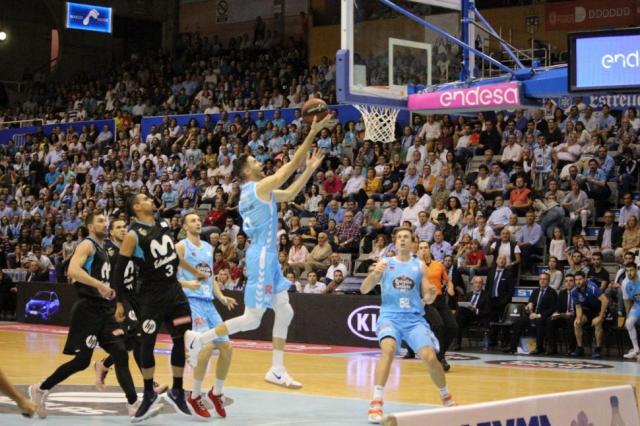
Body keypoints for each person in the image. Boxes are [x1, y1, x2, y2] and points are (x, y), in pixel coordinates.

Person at [185, 116, 331, 390]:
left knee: (285, 312)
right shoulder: (255, 188)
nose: (260, 163)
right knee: (252, 319)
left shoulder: (259, 192)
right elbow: (286, 171)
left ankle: (277, 369)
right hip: (262, 256)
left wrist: (310, 169)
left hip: (269, 258)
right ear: (245, 171)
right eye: (254, 161)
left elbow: (289, 193)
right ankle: (199, 340)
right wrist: (312, 133)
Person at [29, 213, 145, 420]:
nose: (105, 223)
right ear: (90, 227)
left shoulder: (106, 249)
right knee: (81, 361)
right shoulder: (87, 245)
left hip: (106, 310)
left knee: (120, 352)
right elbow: (73, 271)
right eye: (100, 221)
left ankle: (133, 404)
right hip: (87, 311)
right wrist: (99, 285)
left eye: (106, 221)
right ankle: (41, 388)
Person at [114, 194, 208, 420]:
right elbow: (119, 270)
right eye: (145, 198)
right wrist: (120, 302)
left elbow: (173, 256)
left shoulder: (163, 224)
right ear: (137, 207)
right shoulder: (132, 235)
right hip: (150, 298)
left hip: (174, 294)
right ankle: (148, 393)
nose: (150, 200)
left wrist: (194, 271)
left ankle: (177, 389)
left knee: (181, 338)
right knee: (147, 344)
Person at [360, 227, 455, 423]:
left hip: (413, 319)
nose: (402, 240)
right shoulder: (385, 263)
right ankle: (376, 402)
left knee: (430, 358)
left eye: (406, 237)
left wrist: (430, 294)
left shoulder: (419, 266)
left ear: (412, 242)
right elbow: (364, 289)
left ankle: (446, 396)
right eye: (399, 237)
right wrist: (374, 275)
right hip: (390, 317)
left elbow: (428, 296)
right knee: (388, 350)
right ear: (395, 242)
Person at [94, 219, 168, 395]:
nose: (123, 230)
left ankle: (103, 364)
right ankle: (151, 385)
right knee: (138, 339)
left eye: (125, 227)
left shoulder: (133, 248)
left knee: (130, 342)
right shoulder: (107, 251)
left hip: (134, 298)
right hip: (117, 299)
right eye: (118, 227)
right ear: (111, 232)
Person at [176, 212, 238, 418]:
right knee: (207, 346)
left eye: (198, 220)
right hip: (192, 302)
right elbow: (168, 278)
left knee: (227, 348)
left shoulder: (208, 248)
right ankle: (195, 395)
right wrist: (187, 283)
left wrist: (221, 297)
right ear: (185, 226)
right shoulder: (181, 247)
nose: (197, 222)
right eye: (192, 220)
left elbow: (210, 278)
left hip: (209, 304)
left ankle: (216, 392)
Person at [505, 272, 557, 355]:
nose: (542, 281)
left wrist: (538, 315)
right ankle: (512, 347)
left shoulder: (552, 292)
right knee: (518, 321)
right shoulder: (535, 291)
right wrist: (528, 307)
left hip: (543, 317)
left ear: (548, 281)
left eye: (544, 279)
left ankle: (539, 348)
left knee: (539, 321)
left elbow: (552, 308)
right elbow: (530, 303)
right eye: (541, 279)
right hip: (533, 315)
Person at [571, 271, 609, 358]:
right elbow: (578, 307)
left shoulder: (592, 287)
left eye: (580, 279)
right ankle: (580, 348)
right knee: (576, 323)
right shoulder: (574, 291)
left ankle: (598, 348)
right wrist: (579, 318)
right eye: (576, 280)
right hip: (587, 311)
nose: (578, 282)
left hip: (599, 310)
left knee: (597, 323)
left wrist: (600, 316)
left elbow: (605, 301)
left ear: (585, 279)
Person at [453, 276, 490, 350]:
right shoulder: (469, 294)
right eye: (476, 282)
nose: (478, 285)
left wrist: (475, 310)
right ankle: (457, 344)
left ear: (482, 284)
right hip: (466, 316)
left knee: (459, 316)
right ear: (473, 284)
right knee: (460, 316)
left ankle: (457, 343)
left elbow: (487, 311)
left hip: (478, 316)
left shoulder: (486, 296)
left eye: (480, 283)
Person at [485, 255, 515, 347]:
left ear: (505, 262)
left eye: (504, 259)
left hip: (502, 302)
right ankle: (492, 341)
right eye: (500, 258)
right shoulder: (491, 272)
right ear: (496, 261)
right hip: (491, 301)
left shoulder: (509, 274)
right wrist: (487, 299)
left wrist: (505, 301)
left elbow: (511, 290)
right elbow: (487, 287)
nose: (502, 260)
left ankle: (505, 341)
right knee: (492, 321)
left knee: (505, 322)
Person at [545, 274, 576, 356]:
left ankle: (571, 348)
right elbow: (558, 308)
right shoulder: (562, 293)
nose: (568, 283)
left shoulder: (578, 292)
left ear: (574, 282)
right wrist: (556, 314)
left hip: (574, 316)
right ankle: (552, 348)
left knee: (571, 321)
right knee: (550, 320)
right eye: (566, 281)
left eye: (571, 281)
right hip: (563, 316)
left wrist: (571, 314)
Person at [622, 263, 640, 359]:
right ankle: (636, 350)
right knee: (628, 323)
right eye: (627, 271)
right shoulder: (625, 283)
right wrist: (628, 315)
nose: (629, 273)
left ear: (636, 270)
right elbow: (627, 301)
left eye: (631, 270)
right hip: (637, 305)